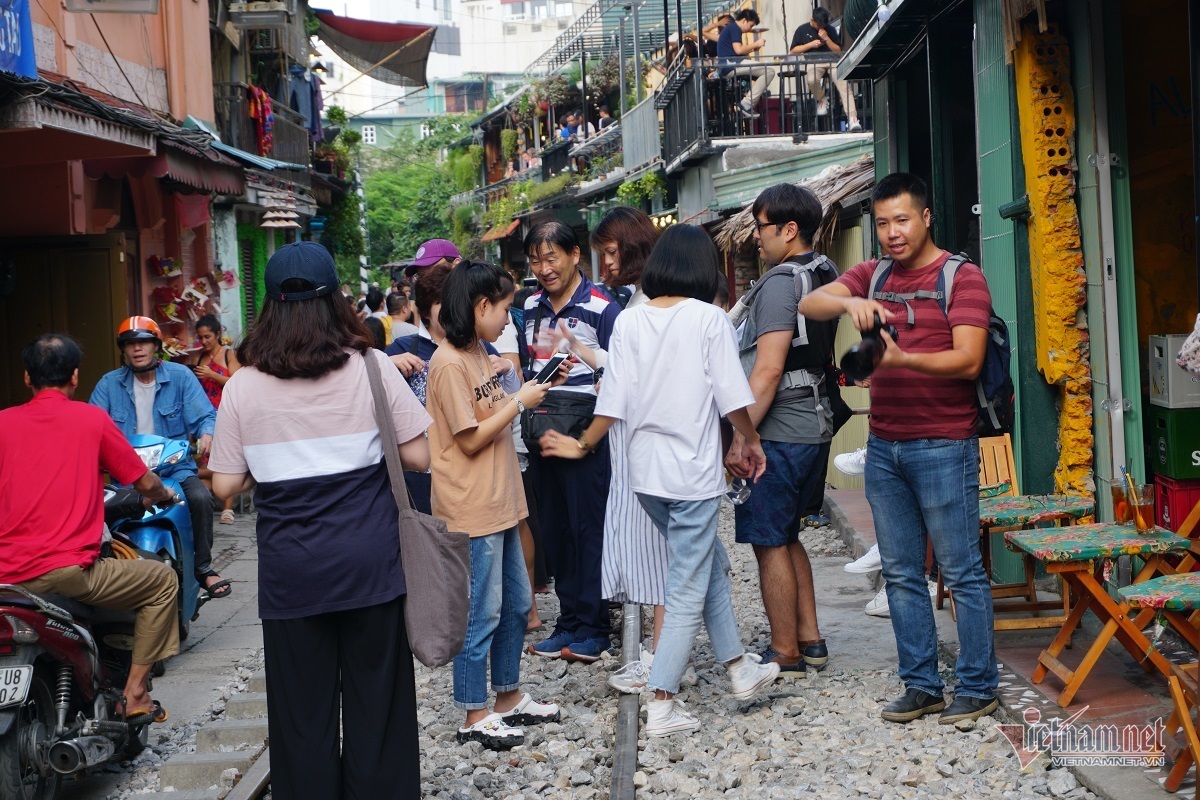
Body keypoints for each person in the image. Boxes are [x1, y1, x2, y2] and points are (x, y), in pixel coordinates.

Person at [208, 241, 432, 798]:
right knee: (377, 708)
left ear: (272, 306)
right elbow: (420, 457)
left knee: (301, 718)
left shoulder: (243, 385)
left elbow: (225, 485)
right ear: (336, 300)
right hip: (372, 568)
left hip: (291, 574)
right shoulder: (372, 367)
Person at [540, 224, 779, 737]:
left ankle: (740, 668)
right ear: (701, 268)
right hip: (690, 473)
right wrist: (749, 440)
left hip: (644, 475)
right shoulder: (709, 319)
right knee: (688, 582)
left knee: (706, 561)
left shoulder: (629, 322)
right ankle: (663, 703)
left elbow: (614, 399)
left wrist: (584, 442)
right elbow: (731, 395)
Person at [798, 172, 999, 725]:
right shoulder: (875, 273)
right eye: (883, 223)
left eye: (902, 220)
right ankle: (922, 685)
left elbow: (969, 360)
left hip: (944, 444)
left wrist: (903, 361)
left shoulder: (963, 277)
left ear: (927, 217)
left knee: (960, 572)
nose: (892, 233)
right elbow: (811, 300)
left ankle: (979, 685)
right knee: (903, 574)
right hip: (885, 447)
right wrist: (848, 304)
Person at [1, 334, 179, 725]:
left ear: (28, 378)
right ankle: (135, 692)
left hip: (6, 577)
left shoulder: (2, 424)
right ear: (76, 377)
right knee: (162, 580)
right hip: (65, 573)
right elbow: (142, 482)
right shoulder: (92, 419)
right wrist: (163, 491)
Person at [426, 259, 564, 750]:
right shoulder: (447, 364)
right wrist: (520, 401)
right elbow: (469, 439)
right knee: (481, 612)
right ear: (481, 305)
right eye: (505, 308)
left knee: (517, 604)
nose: (510, 319)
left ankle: (507, 697)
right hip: (472, 505)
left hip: (501, 498)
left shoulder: (481, 353)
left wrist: (517, 382)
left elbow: (492, 404)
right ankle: (473, 711)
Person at [726, 184, 839, 677]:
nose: (755, 236)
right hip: (815, 422)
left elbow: (768, 370)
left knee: (769, 539)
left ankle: (783, 650)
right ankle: (810, 638)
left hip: (781, 429)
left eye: (761, 226)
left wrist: (743, 436)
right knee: (789, 534)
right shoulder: (824, 271)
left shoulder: (779, 283)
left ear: (789, 230)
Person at [522, 221, 621, 663]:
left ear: (575, 255)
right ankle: (568, 619)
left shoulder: (603, 306)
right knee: (556, 529)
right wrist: (543, 377)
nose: (544, 269)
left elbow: (621, 372)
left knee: (588, 527)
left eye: (551, 258)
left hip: (585, 430)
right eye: (536, 260)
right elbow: (530, 369)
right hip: (543, 425)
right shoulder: (530, 306)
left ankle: (595, 624)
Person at [89, 316, 229, 600]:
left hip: (174, 469)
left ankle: (203, 568)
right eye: (130, 344)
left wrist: (206, 435)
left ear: (156, 347)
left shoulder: (180, 377)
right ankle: (100, 567)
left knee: (201, 499)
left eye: (143, 342)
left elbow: (205, 416)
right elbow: (91, 425)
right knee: (96, 509)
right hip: (127, 474)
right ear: (123, 350)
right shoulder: (108, 384)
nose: (137, 349)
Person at [385, 264, 512, 513]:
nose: (453, 310)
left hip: (474, 472)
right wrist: (387, 366)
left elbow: (497, 401)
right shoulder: (404, 348)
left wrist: (506, 367)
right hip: (423, 469)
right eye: (443, 305)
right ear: (425, 312)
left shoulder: (481, 347)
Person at [192, 314, 241, 525]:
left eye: (208, 337)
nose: (204, 342)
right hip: (204, 417)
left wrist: (212, 375)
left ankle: (227, 509)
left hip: (226, 414)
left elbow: (237, 383)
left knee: (225, 460)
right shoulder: (198, 359)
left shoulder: (229, 355)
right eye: (200, 337)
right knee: (205, 457)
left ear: (218, 334)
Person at [790, 8, 861, 131]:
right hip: (813, 62)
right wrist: (811, 45)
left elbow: (838, 50)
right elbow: (793, 51)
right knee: (811, 80)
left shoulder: (830, 30)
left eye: (823, 25)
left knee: (844, 85)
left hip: (832, 61)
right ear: (812, 20)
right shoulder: (802, 30)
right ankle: (821, 99)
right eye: (818, 25)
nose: (821, 27)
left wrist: (826, 38)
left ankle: (852, 118)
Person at [717, 10, 775, 120]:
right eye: (751, 25)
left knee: (765, 72)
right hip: (731, 65)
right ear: (744, 20)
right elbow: (738, 50)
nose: (750, 29)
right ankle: (746, 103)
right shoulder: (734, 28)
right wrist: (756, 43)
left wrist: (752, 48)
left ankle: (746, 103)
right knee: (769, 71)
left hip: (728, 65)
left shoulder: (731, 28)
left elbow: (736, 51)